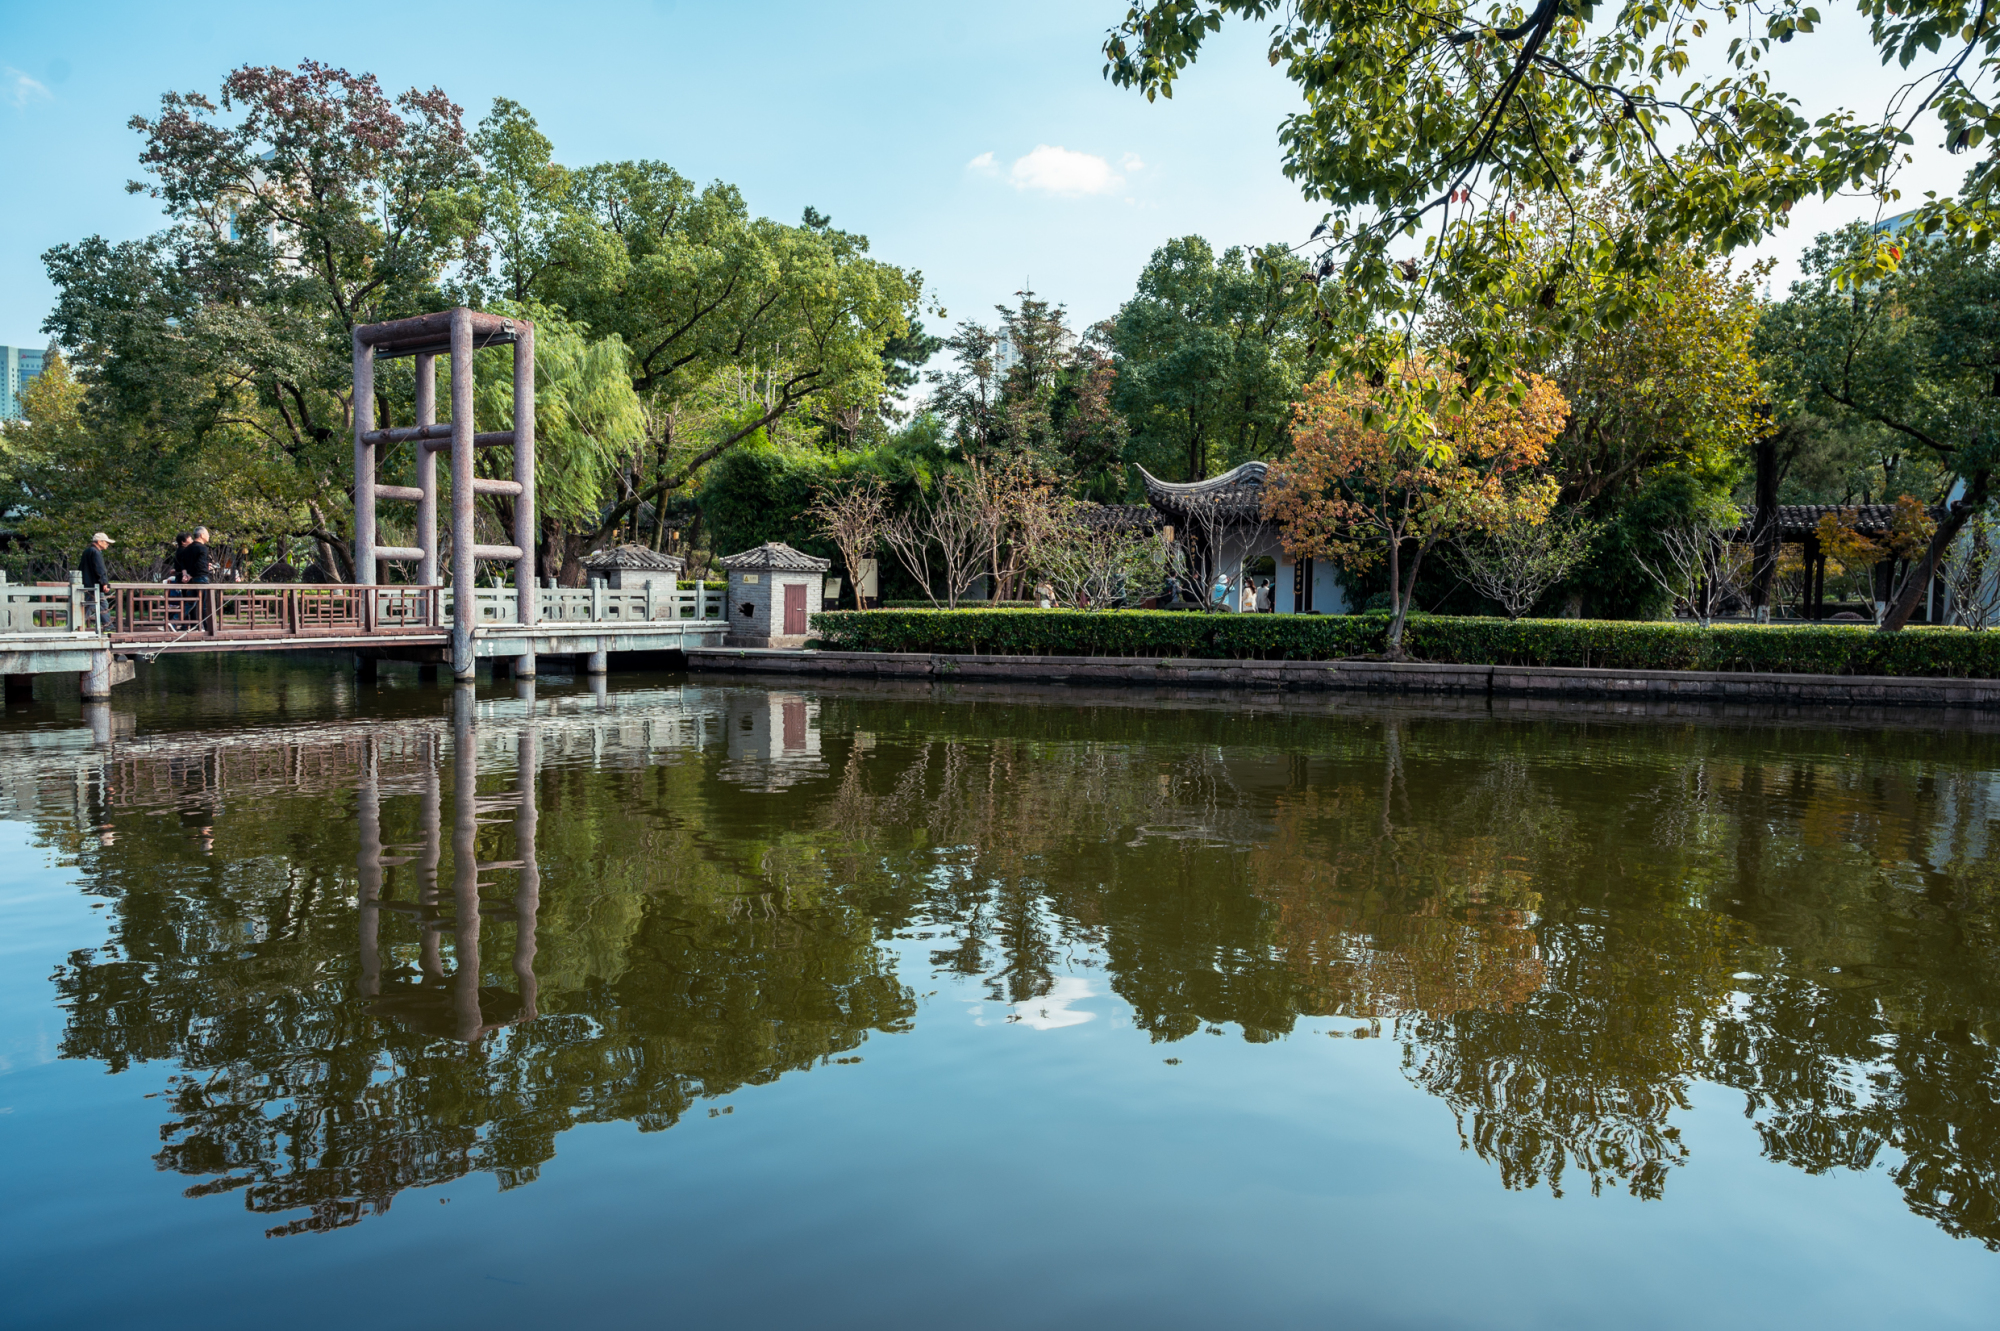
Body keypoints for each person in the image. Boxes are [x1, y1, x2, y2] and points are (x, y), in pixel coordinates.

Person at [79, 532, 113, 628]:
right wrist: (104, 583)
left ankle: (108, 626)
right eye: (106, 542)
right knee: (89, 606)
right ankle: (78, 625)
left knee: (100, 604)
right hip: (93, 585)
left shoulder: (87, 551)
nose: (107, 544)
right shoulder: (95, 552)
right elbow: (100, 569)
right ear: (99, 542)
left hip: (87, 584)